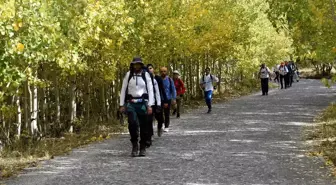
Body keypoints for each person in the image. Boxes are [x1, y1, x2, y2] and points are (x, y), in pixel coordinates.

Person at [119, 57, 154, 157]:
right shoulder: (128, 74)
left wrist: (150, 105)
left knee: (144, 126)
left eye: (138, 64)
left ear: (141, 65)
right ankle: (134, 145)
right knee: (132, 123)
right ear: (132, 65)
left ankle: (142, 146)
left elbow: (150, 90)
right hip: (131, 103)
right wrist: (121, 104)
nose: (136, 66)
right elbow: (123, 89)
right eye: (135, 64)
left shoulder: (146, 74)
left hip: (143, 103)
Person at [146, 64, 163, 144]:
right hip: (147, 103)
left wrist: (159, 103)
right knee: (149, 119)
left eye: (150, 68)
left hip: (155, 102)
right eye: (148, 68)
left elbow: (157, 93)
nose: (149, 70)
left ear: (153, 69)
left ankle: (160, 127)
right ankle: (150, 134)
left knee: (159, 118)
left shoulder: (155, 80)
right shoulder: (144, 79)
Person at [159, 67, 176, 133]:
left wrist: (173, 98)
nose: (163, 73)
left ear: (167, 72)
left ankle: (166, 126)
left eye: (164, 71)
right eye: (162, 71)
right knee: (159, 113)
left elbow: (173, 89)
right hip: (159, 99)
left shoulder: (169, 80)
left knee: (167, 113)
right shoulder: (158, 79)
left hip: (168, 99)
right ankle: (162, 123)